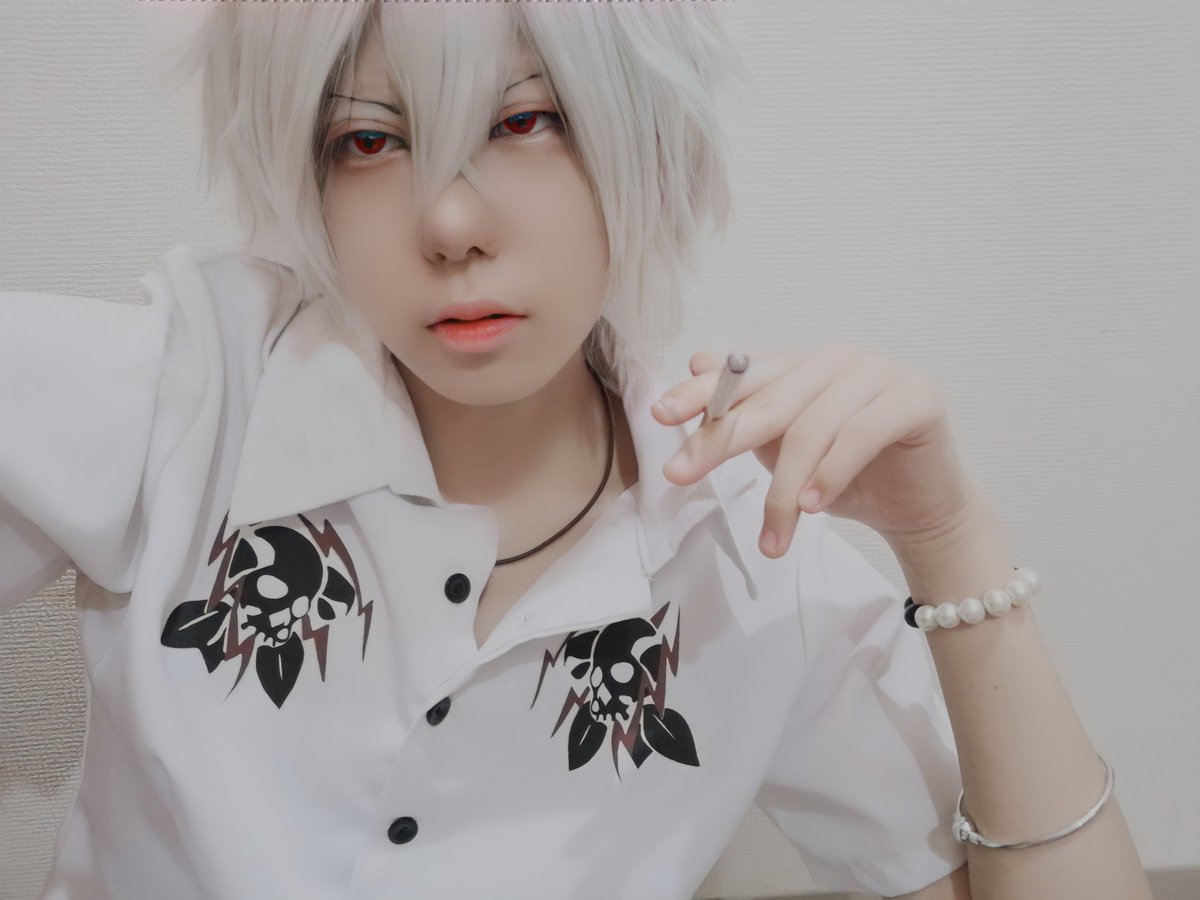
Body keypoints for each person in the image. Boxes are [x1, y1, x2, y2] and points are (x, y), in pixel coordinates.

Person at [0, 2, 1151, 898]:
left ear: (639, 133)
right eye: (371, 139)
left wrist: (949, 536)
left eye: (524, 121)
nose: (450, 224)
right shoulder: (194, 390)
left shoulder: (749, 559)